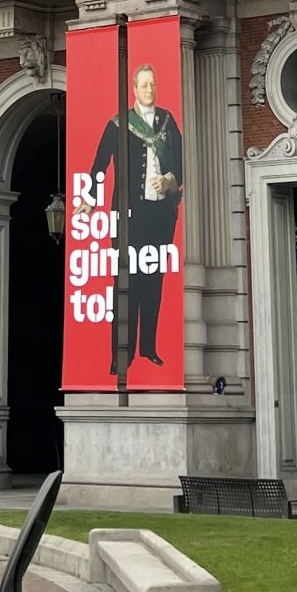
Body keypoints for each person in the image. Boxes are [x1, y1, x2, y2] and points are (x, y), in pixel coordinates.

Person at [90, 61, 185, 371]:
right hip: (128, 216)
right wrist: (89, 199)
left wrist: (170, 180)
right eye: (144, 85)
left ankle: (148, 348)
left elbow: (182, 164)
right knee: (125, 283)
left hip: (160, 214)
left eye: (153, 84)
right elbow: (100, 164)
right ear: (134, 89)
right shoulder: (118, 124)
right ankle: (122, 355)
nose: (149, 90)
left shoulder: (168, 122)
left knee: (154, 282)